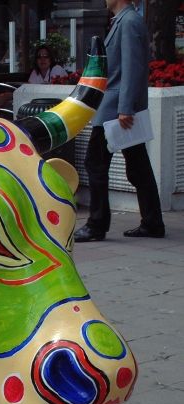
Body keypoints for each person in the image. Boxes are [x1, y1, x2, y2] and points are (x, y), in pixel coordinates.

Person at [74, 0, 165, 242]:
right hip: (117, 109)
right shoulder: (125, 21)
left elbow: (132, 67)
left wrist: (125, 108)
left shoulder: (129, 22)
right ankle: (152, 222)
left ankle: (96, 225)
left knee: (95, 164)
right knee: (138, 167)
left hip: (114, 111)